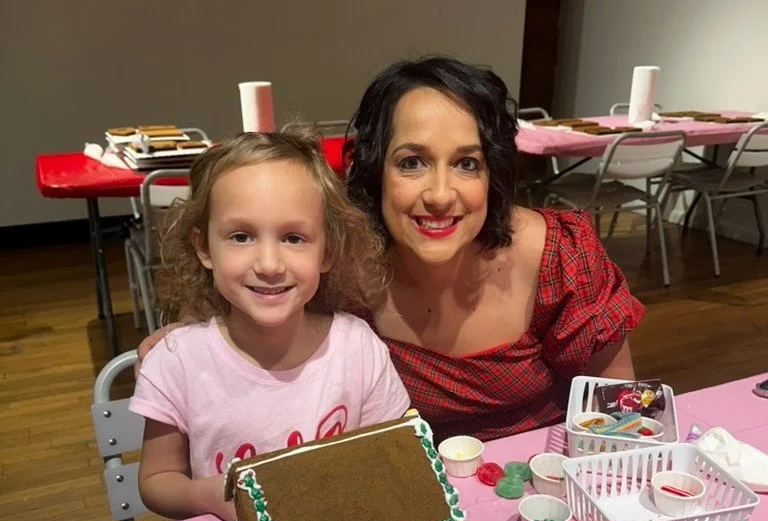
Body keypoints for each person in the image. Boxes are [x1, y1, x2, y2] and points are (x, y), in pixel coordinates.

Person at [138, 56, 644, 444]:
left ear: (493, 174)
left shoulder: (559, 256)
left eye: (467, 164)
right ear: (374, 169)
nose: (441, 194)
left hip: (543, 484)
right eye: (412, 162)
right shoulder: (344, 266)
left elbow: (621, 407)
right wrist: (183, 340)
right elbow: (250, 301)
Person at [129, 131, 409, 521]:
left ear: (326, 250)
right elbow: (156, 479)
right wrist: (205, 495)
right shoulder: (178, 364)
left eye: (294, 238)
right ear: (204, 248)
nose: (270, 264)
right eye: (241, 236)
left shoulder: (357, 349)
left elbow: (393, 452)